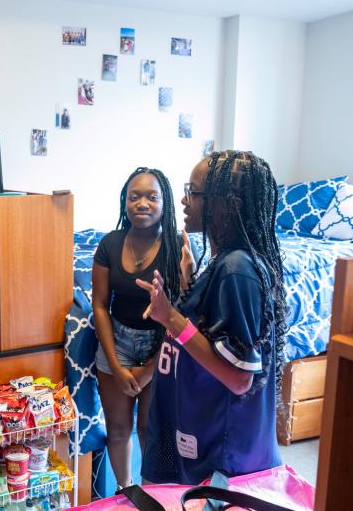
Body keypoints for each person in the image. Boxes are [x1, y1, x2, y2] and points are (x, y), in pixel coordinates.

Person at [137, 150, 288, 485]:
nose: (185, 201)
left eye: (194, 192)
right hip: (194, 434)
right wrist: (191, 284)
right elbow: (212, 335)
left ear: (226, 204)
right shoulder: (225, 264)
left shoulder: (238, 270)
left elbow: (238, 378)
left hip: (219, 458)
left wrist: (170, 316)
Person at [91, 167, 182, 489]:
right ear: (124, 202)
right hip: (116, 341)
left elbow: (183, 317)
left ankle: (153, 494)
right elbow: (100, 305)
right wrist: (115, 365)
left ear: (165, 203)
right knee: (117, 428)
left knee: (149, 428)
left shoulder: (178, 246)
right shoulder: (110, 243)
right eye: (134, 196)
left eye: (152, 197)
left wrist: (148, 369)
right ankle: (126, 491)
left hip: (162, 344)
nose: (142, 203)